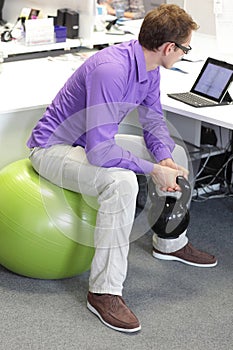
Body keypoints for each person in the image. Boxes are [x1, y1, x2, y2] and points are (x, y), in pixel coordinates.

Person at [27, 4, 217, 333]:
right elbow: (101, 153)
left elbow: (153, 119)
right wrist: (152, 170)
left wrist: (164, 158)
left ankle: (170, 242)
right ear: (169, 48)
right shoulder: (112, 70)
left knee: (176, 156)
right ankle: (104, 292)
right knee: (123, 182)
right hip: (53, 150)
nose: (186, 54)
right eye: (186, 48)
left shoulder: (150, 66)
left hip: (89, 144)